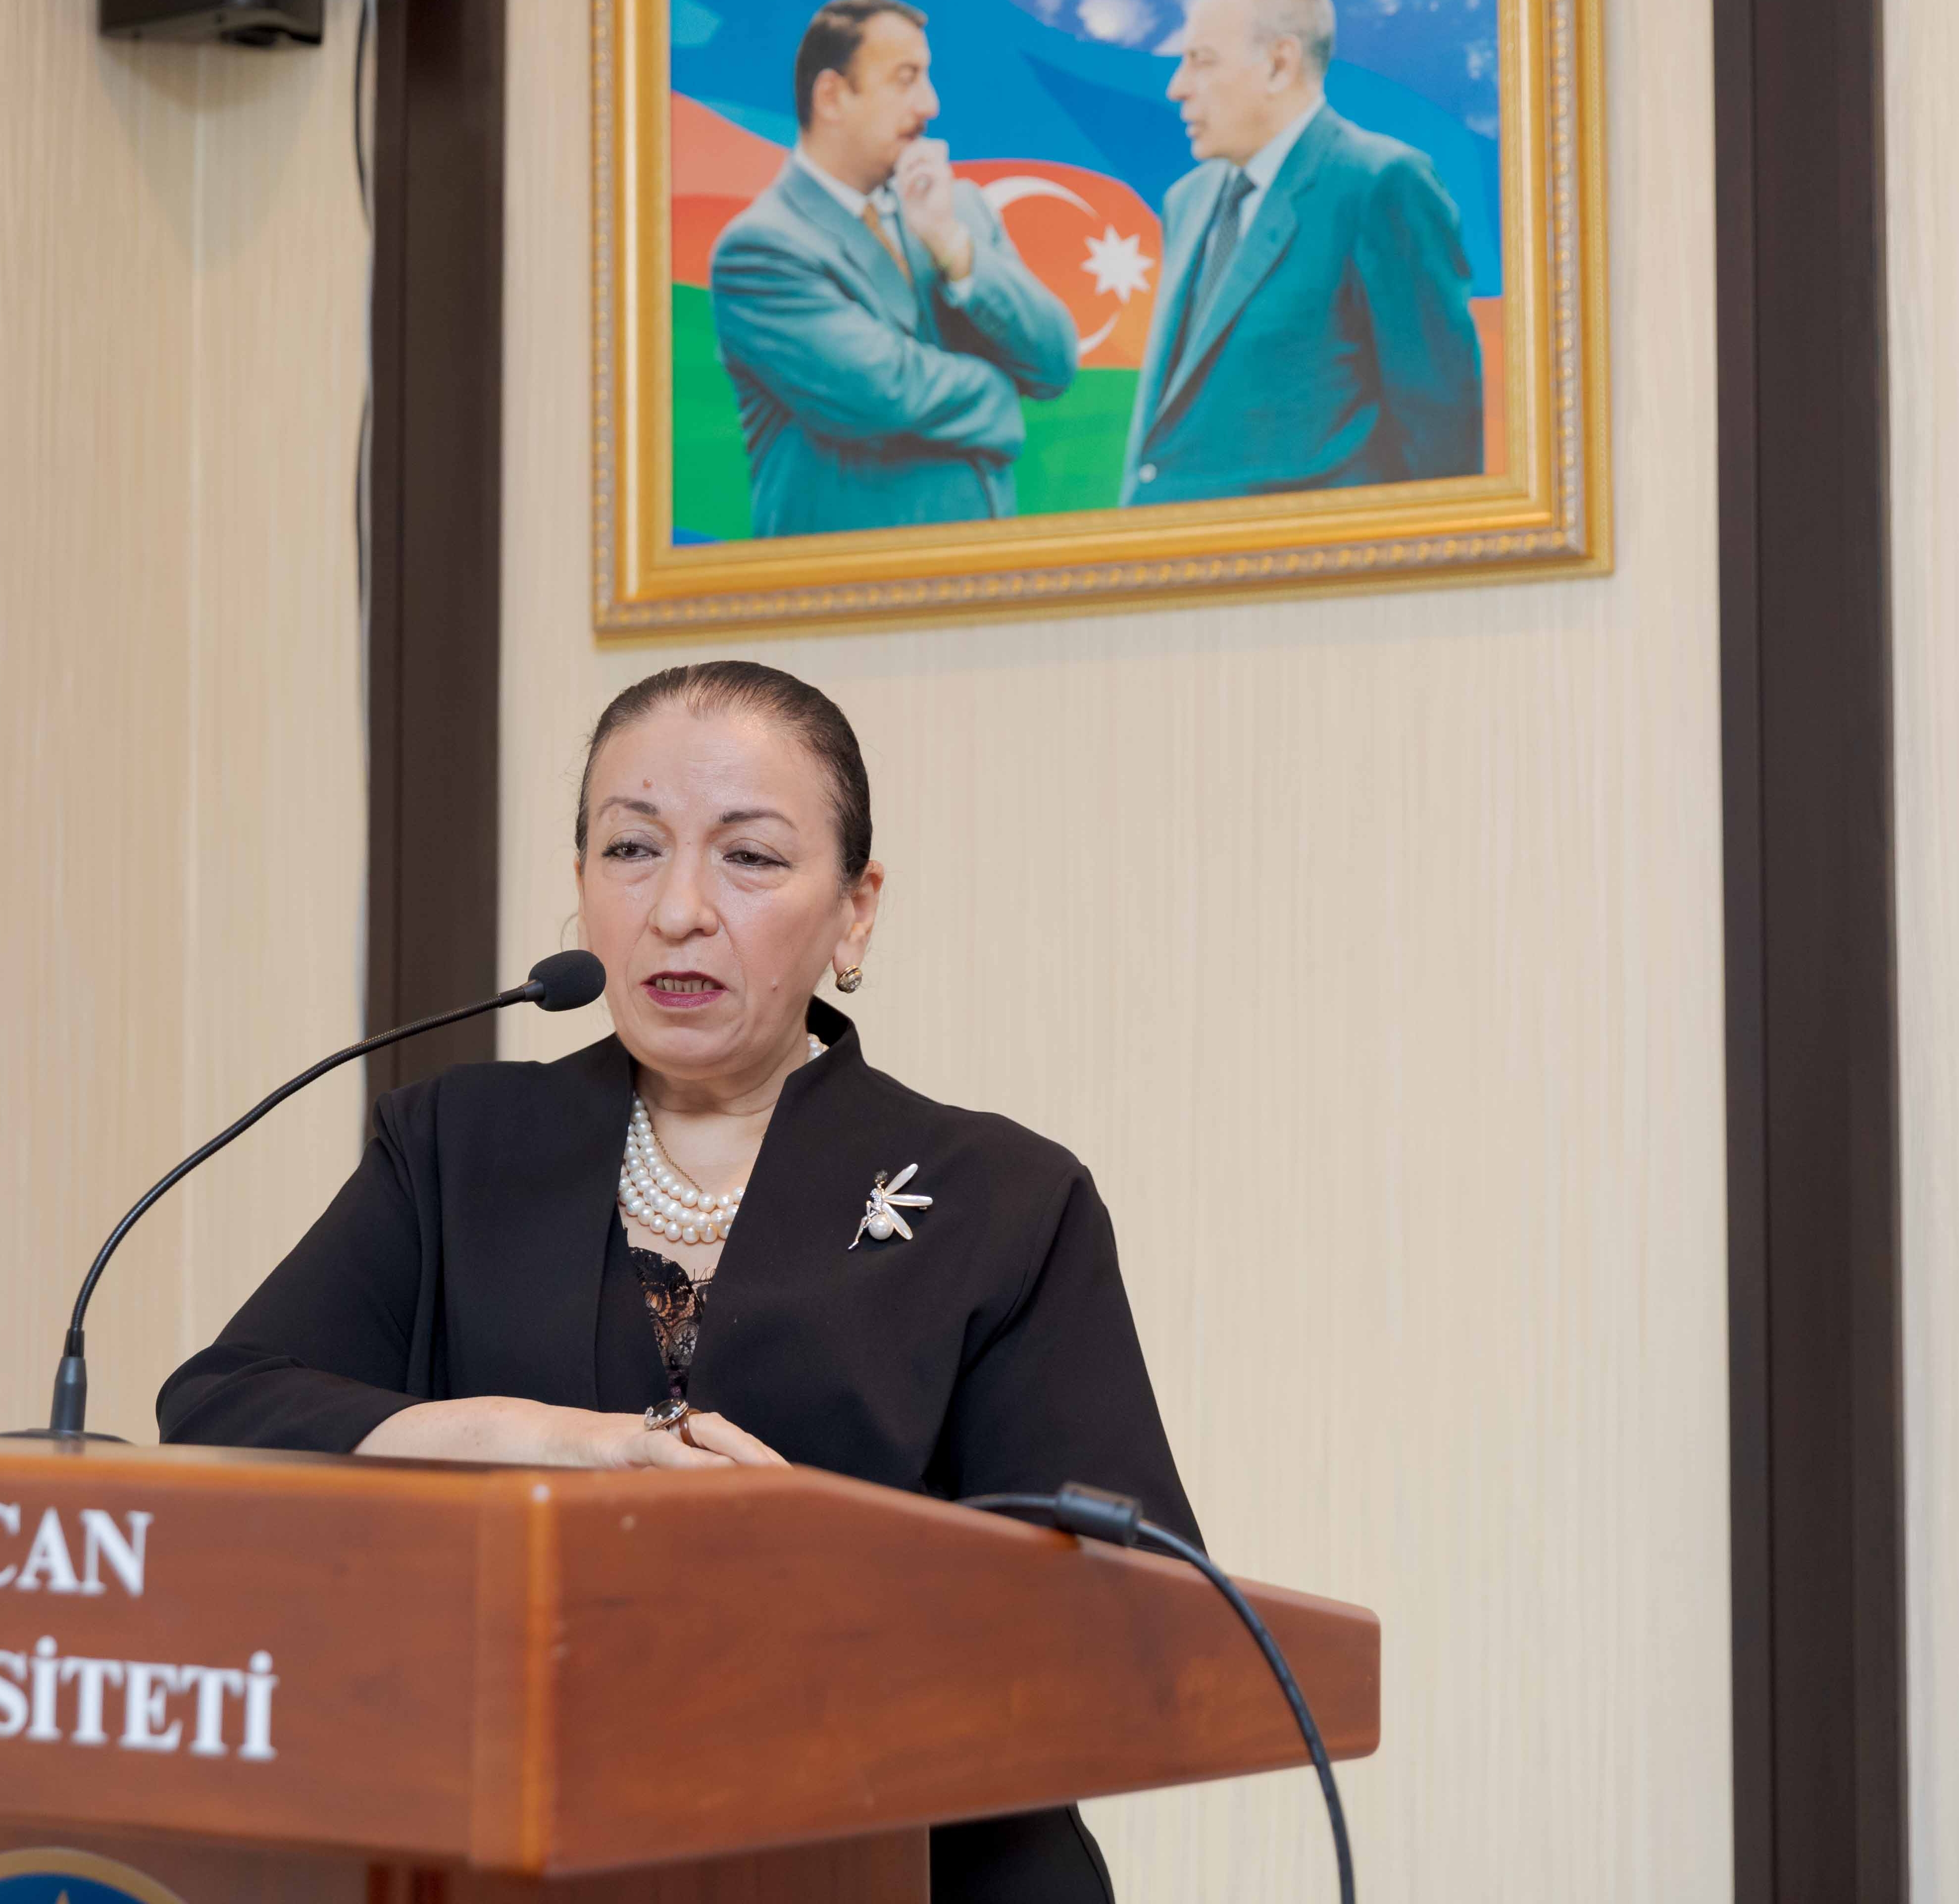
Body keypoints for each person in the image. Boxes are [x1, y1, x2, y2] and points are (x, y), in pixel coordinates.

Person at [161, 660, 1195, 1904]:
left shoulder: (1004, 1197)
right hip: (517, 1852)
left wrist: (826, 1558)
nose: (679, 909)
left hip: (915, 1863)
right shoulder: (456, 1145)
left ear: (856, 911)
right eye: (631, 849)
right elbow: (223, 1407)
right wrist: (561, 1445)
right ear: (582, 885)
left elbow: (1132, 1603)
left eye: (749, 857)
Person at [1120, 0, 1484, 505]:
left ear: (1279, 64)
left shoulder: (1379, 185)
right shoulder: (1187, 202)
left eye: (1202, 61)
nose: (1177, 87)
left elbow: (1441, 437)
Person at [708, 0, 1078, 537]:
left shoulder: (959, 210)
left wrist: (953, 247)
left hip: (987, 573)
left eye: (928, 78)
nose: (931, 104)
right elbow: (884, 393)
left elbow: (1054, 363)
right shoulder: (760, 250)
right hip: (853, 585)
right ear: (832, 97)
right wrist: (1001, 394)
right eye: (906, 80)